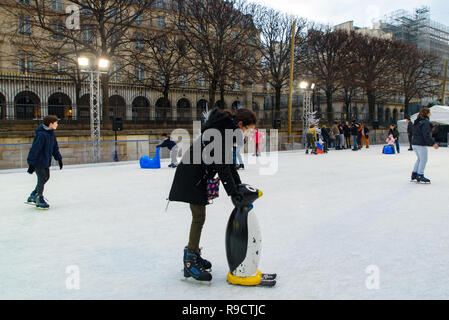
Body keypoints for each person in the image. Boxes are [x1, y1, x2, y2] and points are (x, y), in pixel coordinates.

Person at [168, 108, 257, 282]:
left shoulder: (223, 130)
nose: (247, 133)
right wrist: (233, 192)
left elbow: (228, 163)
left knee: (199, 216)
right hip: (192, 177)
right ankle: (190, 259)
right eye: (248, 129)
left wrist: (238, 186)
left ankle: (192, 253)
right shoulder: (221, 132)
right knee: (199, 217)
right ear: (240, 124)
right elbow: (222, 166)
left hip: (196, 175)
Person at [26, 115, 63, 210]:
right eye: (56, 123)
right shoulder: (41, 135)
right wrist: (31, 164)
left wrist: (59, 158)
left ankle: (34, 194)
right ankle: (39, 198)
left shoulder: (51, 134)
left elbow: (55, 147)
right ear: (51, 124)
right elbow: (34, 150)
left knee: (46, 177)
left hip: (46, 161)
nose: (57, 125)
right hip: (38, 161)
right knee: (42, 178)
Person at [411, 108, 439, 183]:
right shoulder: (425, 122)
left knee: (419, 159)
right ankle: (420, 175)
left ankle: (414, 174)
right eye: (429, 112)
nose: (430, 114)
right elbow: (426, 134)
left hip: (414, 143)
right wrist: (433, 143)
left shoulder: (417, 121)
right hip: (420, 144)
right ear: (426, 113)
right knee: (423, 160)